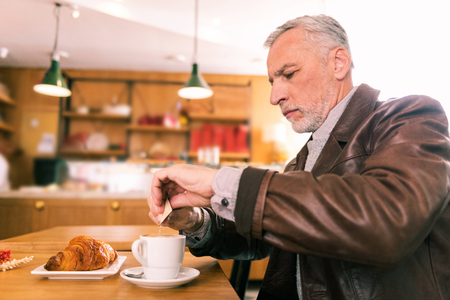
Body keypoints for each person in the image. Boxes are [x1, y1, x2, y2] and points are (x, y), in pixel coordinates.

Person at [148, 15, 450, 300]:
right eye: (272, 81)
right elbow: (264, 238)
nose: (274, 96)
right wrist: (197, 221)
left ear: (338, 63)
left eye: (289, 74)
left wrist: (220, 182)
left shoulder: (411, 117)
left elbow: (386, 221)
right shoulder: (304, 157)